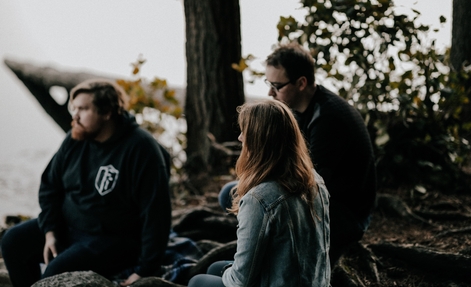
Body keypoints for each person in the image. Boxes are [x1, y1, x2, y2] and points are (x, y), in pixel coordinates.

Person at [1, 79, 172, 287]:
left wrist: (145, 270)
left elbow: (156, 215)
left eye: (83, 109)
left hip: (112, 238)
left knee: (56, 273)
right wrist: (50, 231)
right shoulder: (75, 138)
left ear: (107, 112)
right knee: (12, 242)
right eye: (74, 108)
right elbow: (49, 186)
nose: (75, 116)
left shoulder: (142, 149)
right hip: (68, 227)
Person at [219, 42, 377, 266]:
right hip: (321, 198)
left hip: (342, 215)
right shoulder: (300, 108)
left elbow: (308, 186)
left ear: (301, 83)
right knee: (232, 193)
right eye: (268, 83)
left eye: (277, 86)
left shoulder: (328, 120)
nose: (270, 93)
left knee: (244, 196)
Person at [189, 100, 330, 287]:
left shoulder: (259, 199)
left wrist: (228, 271)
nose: (240, 138)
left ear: (259, 140)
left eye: (244, 132)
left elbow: (240, 281)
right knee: (214, 268)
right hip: (316, 282)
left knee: (197, 281)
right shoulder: (315, 179)